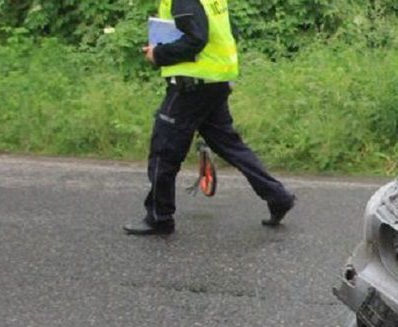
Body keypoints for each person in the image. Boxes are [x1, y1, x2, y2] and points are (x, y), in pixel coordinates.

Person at [124, 0, 296, 235]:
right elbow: (228, 31)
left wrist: (159, 53)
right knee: (230, 145)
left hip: (191, 87)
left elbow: (196, 39)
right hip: (215, 81)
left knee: (163, 151)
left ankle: (159, 217)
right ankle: (278, 196)